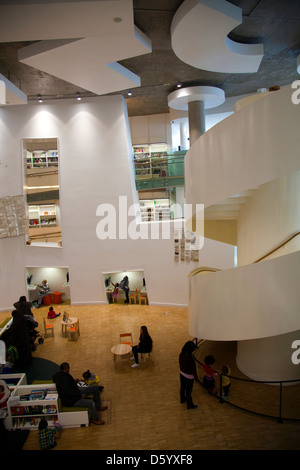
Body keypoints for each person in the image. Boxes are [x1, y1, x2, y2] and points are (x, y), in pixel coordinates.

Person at [179, 341, 199, 409]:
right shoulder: (191, 359)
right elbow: (193, 370)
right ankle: (190, 405)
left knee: (182, 387)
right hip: (189, 377)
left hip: (182, 374)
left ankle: (182, 399)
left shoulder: (181, 354)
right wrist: (196, 378)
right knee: (189, 391)